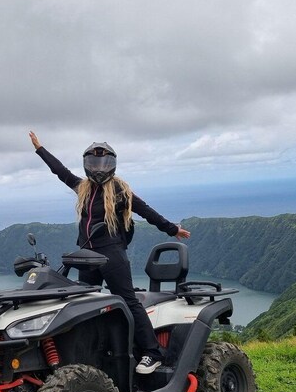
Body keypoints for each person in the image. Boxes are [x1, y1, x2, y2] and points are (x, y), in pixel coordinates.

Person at [28, 131, 190, 374]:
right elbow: (60, 172)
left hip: (111, 255)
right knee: (85, 304)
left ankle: (152, 352)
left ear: (112, 165)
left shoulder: (120, 191)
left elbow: (146, 211)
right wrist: (40, 149)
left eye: (104, 163)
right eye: (94, 162)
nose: (99, 167)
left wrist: (171, 229)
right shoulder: (82, 187)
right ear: (86, 164)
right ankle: (90, 355)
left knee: (128, 300)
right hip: (87, 257)